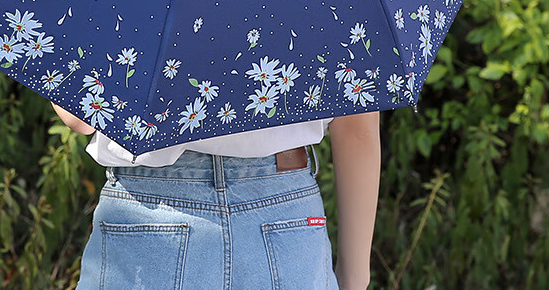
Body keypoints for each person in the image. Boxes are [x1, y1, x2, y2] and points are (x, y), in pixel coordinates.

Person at [52, 101, 380, 290]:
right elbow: (357, 127)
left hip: (148, 205)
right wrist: (354, 276)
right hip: (285, 214)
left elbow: (78, 118)